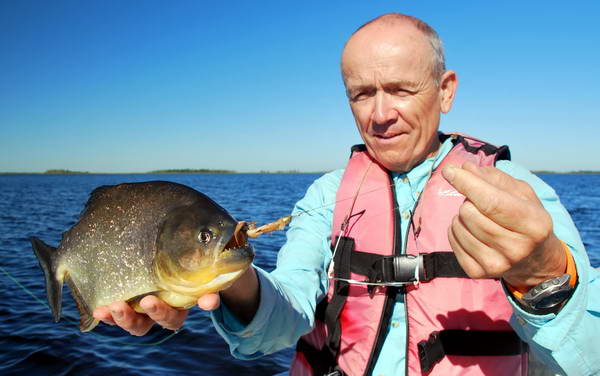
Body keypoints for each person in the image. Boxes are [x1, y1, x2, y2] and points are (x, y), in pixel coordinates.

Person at [94, 13, 600, 375]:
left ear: (445, 90)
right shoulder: (327, 195)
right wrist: (231, 279)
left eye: (401, 89)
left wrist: (545, 278)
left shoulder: (517, 192)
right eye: (362, 94)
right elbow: (279, 324)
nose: (380, 114)